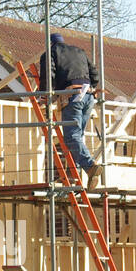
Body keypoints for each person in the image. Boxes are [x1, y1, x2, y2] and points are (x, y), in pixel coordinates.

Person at [39, 31, 102, 187]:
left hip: (73, 95)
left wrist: (45, 94)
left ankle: (90, 166)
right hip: (88, 96)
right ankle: (76, 176)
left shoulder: (50, 53)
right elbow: (94, 75)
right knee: (77, 137)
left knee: (71, 137)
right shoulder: (79, 51)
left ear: (50, 43)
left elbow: (49, 74)